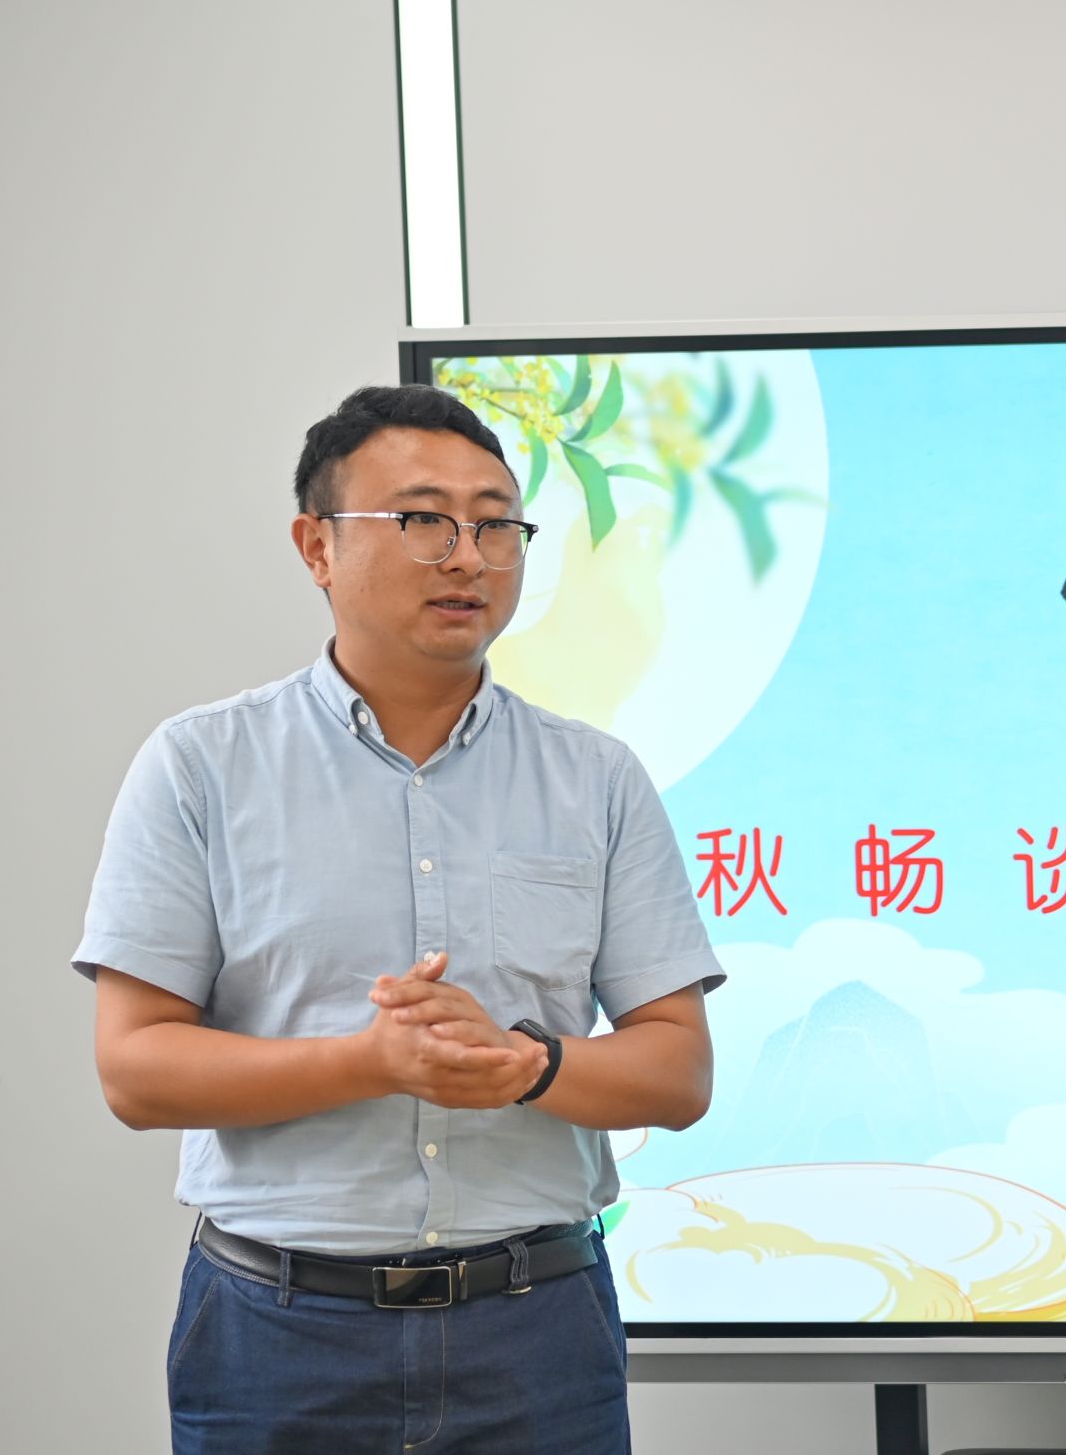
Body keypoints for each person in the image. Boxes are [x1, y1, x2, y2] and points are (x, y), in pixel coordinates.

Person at [73, 383, 725, 1453]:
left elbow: (679, 1071)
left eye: (495, 525)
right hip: (277, 1334)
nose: (468, 557)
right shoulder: (201, 765)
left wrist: (526, 1067)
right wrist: (371, 1063)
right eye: (424, 520)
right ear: (317, 546)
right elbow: (136, 1071)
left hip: (537, 1334)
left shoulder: (597, 779)